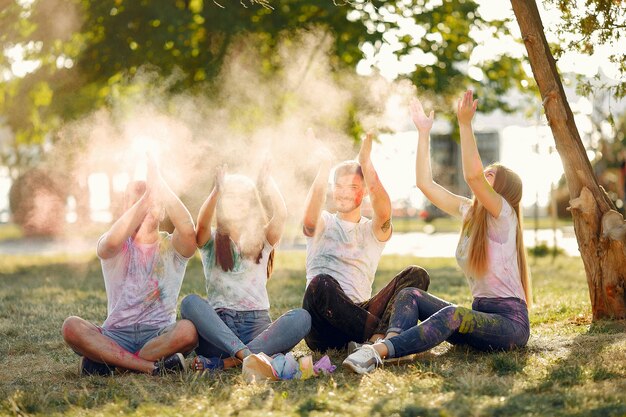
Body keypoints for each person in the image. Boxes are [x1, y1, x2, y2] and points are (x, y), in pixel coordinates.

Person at [343, 90, 533, 374]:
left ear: (502, 191)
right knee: (409, 294)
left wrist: (465, 125)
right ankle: (393, 346)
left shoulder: (503, 214)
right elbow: (425, 184)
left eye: (490, 176)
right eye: (486, 174)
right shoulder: (471, 213)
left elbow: (472, 175)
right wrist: (423, 133)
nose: (482, 179)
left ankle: (376, 352)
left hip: (509, 325)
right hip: (479, 318)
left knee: (452, 315)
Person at [61, 157, 199, 376]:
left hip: (158, 336)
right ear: (127, 210)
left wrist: (159, 184)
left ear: (162, 211)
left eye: (150, 204)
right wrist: (146, 200)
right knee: (71, 326)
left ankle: (110, 361)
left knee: (188, 331)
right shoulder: (113, 243)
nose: (144, 209)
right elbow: (112, 242)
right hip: (116, 334)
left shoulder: (172, 246)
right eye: (135, 203)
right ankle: (150, 367)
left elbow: (189, 231)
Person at [301, 130, 431, 353]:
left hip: (359, 317)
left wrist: (365, 163)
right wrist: (324, 167)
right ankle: (384, 339)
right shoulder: (324, 222)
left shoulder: (370, 231)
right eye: (339, 187)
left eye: (352, 187)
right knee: (322, 282)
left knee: (416, 275)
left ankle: (377, 341)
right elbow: (310, 216)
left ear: (365, 192)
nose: (344, 193)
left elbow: (384, 211)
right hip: (322, 326)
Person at [180, 164, 311, 372]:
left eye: (244, 197)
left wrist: (269, 184)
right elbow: (202, 225)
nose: (238, 202)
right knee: (189, 303)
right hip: (219, 334)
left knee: (302, 318)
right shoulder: (212, 239)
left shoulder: (262, 238)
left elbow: (281, 215)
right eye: (231, 196)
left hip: (257, 328)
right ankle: (249, 357)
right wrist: (216, 190)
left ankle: (227, 363)